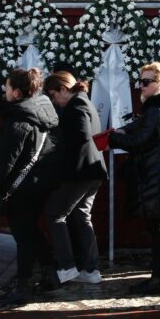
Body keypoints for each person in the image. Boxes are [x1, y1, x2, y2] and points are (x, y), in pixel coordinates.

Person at [108, 62, 160, 293]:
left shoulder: (158, 110)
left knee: (159, 228)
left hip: (159, 175)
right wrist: (122, 131)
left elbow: (140, 141)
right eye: (140, 81)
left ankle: (158, 279)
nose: (141, 86)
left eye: (146, 82)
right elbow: (140, 129)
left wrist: (113, 139)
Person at [0, 68, 61, 306]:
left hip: (21, 188)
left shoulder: (19, 122)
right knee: (31, 230)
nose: (4, 91)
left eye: (7, 87)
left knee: (23, 236)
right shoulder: (41, 110)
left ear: (16, 92)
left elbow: (4, 164)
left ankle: (23, 285)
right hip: (39, 183)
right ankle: (49, 273)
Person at [43, 71, 107, 285]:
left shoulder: (76, 106)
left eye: (54, 95)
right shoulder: (85, 102)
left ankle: (67, 267)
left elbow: (81, 137)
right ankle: (91, 270)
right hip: (93, 172)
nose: (54, 101)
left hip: (80, 173)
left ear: (63, 89)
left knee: (55, 213)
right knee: (82, 216)